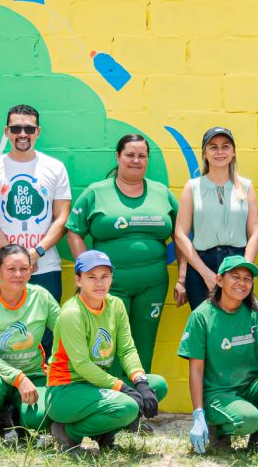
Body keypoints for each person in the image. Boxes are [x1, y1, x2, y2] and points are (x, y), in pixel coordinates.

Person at [66, 134, 177, 375]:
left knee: (144, 345)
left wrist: (184, 278)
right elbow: (74, 232)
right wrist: (87, 271)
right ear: (118, 156)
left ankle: (141, 394)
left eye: (142, 156)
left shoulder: (162, 193)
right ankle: (113, 395)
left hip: (153, 285)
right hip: (109, 287)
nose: (136, 160)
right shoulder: (96, 192)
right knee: (109, 347)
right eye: (130, 155)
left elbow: (181, 235)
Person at [45, 250, 168, 451]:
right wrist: (122, 388)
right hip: (66, 390)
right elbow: (82, 365)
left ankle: (105, 433)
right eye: (91, 277)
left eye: (104, 276)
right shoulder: (72, 313)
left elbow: (127, 350)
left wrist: (140, 382)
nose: (99, 283)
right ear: (78, 280)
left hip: (97, 385)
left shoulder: (116, 305)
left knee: (157, 386)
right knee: (128, 405)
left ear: (111, 278)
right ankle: (68, 432)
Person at [177, 255, 258, 460]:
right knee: (249, 419)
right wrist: (198, 412)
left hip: (250, 388)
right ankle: (219, 430)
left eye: (247, 278)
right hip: (218, 394)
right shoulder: (202, 316)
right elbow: (196, 369)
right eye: (236, 277)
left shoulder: (254, 310)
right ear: (220, 280)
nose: (242, 283)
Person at [0, 103, 72, 315]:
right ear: (6, 131)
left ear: (37, 132)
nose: (22, 134)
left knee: (47, 331)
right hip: (2, 268)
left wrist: (36, 253)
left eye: (29, 128)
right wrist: (15, 259)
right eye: (16, 128)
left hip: (45, 266)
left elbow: (62, 218)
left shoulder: (55, 168)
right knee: (3, 329)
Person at [0, 244, 61, 448]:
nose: (18, 274)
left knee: (40, 417)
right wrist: (18, 378)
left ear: (31, 271)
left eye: (24, 269)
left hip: (33, 374)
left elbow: (66, 334)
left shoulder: (41, 297)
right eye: (11, 269)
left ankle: (21, 421)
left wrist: (56, 366)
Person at [173, 126, 258, 311]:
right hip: (201, 264)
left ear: (233, 152)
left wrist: (244, 270)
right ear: (205, 153)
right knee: (205, 322)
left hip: (237, 261)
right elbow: (180, 234)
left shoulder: (246, 186)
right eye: (213, 147)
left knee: (236, 321)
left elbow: (255, 234)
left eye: (225, 146)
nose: (220, 151)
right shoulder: (193, 187)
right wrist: (206, 274)